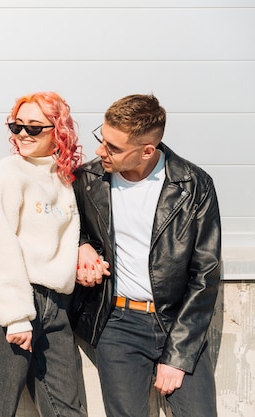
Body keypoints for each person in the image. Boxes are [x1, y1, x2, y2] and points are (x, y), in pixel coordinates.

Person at [72, 94, 221, 417]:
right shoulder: (88, 180)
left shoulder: (193, 186)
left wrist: (177, 356)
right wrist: (81, 246)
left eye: (113, 147)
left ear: (147, 150)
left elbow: (205, 275)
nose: (100, 151)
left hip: (176, 321)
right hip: (118, 323)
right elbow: (65, 228)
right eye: (102, 139)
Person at [0, 92, 87, 417]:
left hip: (55, 307)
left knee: (68, 410)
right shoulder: (9, 172)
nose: (22, 134)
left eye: (34, 128)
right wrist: (16, 315)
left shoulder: (65, 179)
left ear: (58, 132)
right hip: (9, 307)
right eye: (16, 126)